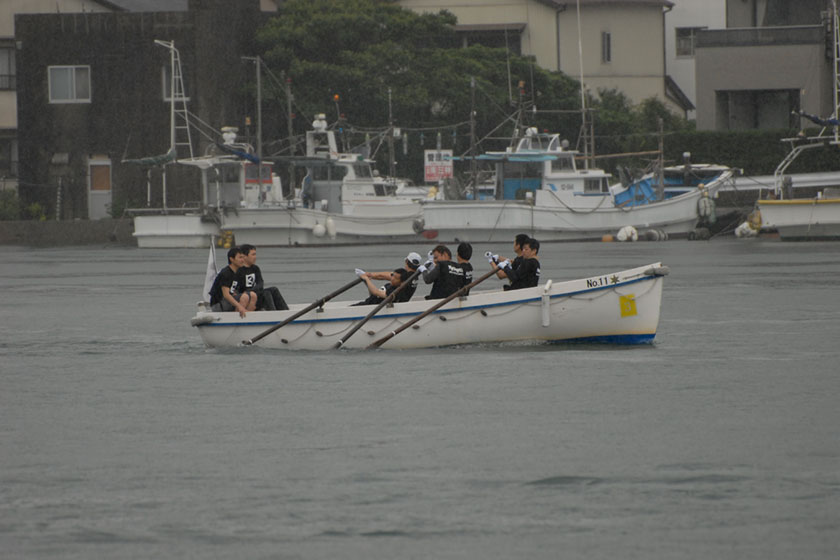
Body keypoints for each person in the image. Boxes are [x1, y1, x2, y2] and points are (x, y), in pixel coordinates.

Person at [237, 244, 289, 311]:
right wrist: (249, 292)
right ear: (244, 256)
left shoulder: (255, 268)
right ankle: (272, 313)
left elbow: (260, 283)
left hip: (254, 294)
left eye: (255, 254)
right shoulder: (238, 270)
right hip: (246, 298)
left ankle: (285, 310)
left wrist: (253, 291)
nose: (255, 257)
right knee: (266, 293)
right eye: (253, 255)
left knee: (274, 289)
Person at [209, 246, 256, 317]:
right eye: (240, 257)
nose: (243, 260)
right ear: (232, 259)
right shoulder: (226, 273)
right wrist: (240, 307)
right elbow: (226, 295)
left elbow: (233, 290)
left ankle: (247, 316)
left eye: (243, 257)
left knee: (253, 295)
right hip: (218, 304)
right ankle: (237, 318)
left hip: (227, 302)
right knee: (245, 297)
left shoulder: (236, 272)